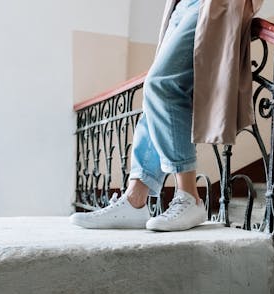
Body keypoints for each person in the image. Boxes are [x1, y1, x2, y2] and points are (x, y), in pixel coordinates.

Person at [70, 0, 263, 231]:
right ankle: (136, 197)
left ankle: (189, 195)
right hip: (181, 5)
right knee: (155, 97)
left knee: (161, 85)